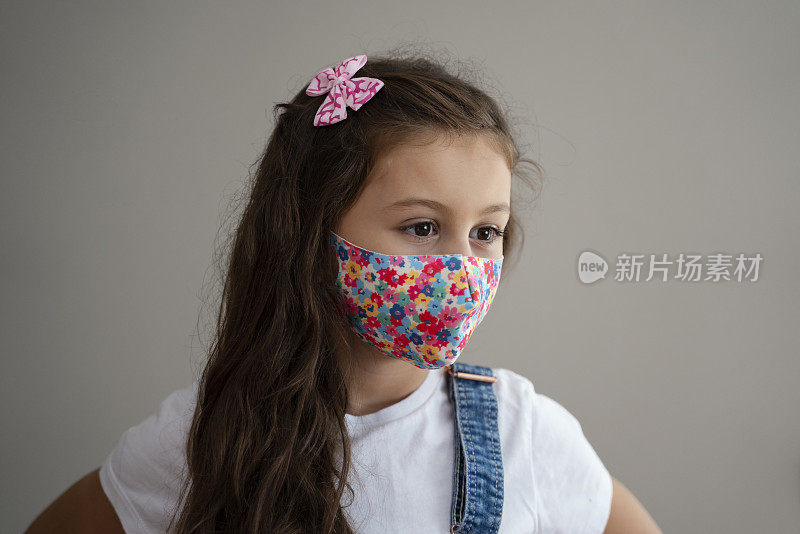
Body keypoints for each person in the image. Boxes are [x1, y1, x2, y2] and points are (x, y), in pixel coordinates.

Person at [26, 51, 662, 533]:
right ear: (310, 228)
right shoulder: (204, 438)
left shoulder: (524, 433)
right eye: (422, 227)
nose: (463, 266)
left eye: (487, 231)